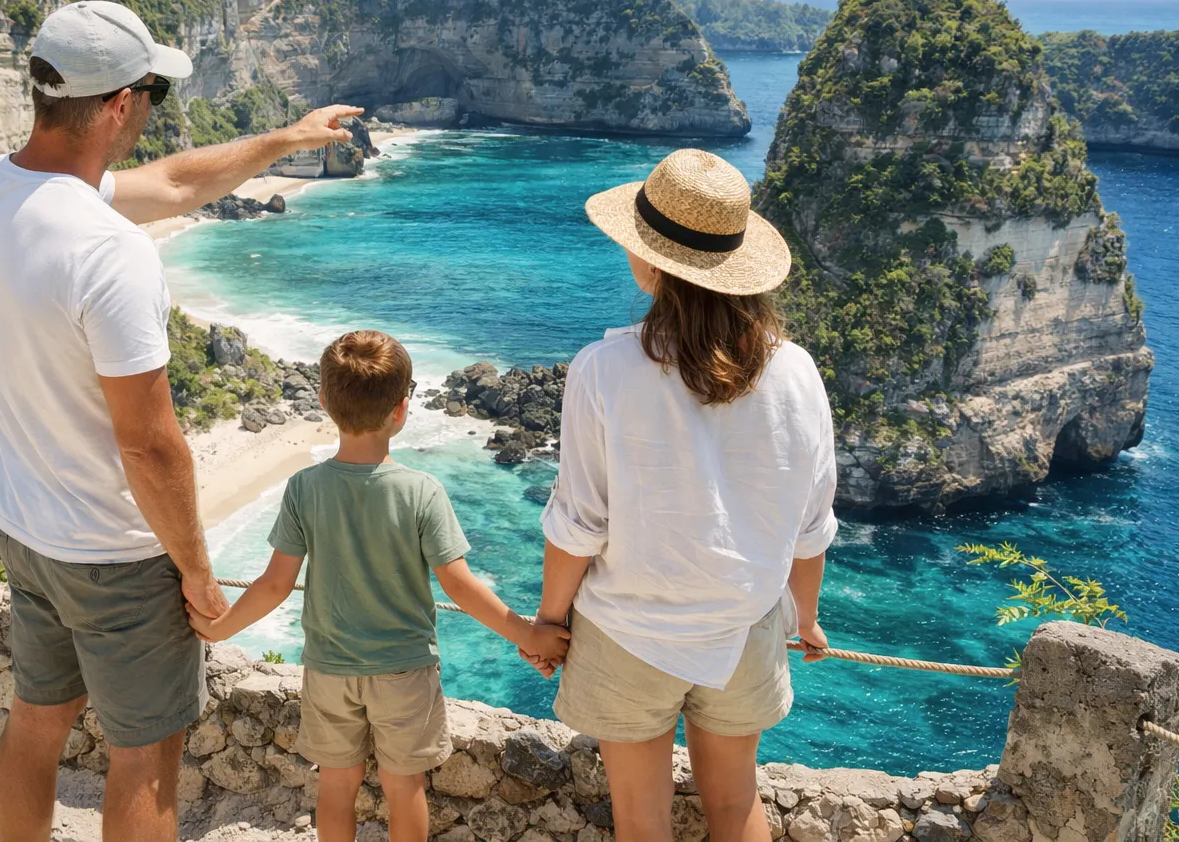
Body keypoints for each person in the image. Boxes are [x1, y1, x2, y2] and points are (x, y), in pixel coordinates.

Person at [0, 0, 363, 842]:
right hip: (116, 553)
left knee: (36, 719)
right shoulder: (109, 250)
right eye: (152, 95)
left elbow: (178, 181)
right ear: (116, 105)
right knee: (147, 754)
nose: (150, 112)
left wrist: (285, 140)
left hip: (27, 529)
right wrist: (198, 569)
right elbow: (151, 442)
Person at [530, 149, 838, 842]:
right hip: (748, 626)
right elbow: (811, 526)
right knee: (735, 805)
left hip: (628, 630)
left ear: (652, 262)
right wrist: (805, 618)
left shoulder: (604, 369)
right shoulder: (797, 372)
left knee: (642, 818)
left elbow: (578, 524)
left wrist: (550, 621)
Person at [187, 330, 570, 842]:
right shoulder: (421, 491)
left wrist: (220, 627)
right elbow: (459, 587)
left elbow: (276, 584)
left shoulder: (305, 487)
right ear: (402, 408)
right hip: (404, 671)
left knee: (336, 787)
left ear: (323, 402)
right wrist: (529, 635)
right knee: (404, 787)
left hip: (328, 669)